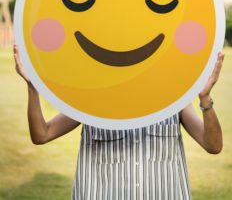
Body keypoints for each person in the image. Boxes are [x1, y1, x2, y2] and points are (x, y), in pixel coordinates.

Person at [13, 43, 224, 200]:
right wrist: (33, 87)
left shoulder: (174, 97)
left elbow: (213, 145)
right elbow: (42, 134)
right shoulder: (91, 101)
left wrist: (205, 97)